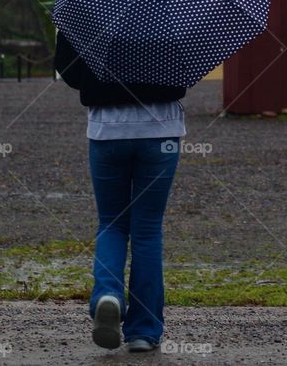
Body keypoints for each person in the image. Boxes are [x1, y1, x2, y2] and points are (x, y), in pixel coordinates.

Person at [54, 29, 186, 353]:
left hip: (106, 130)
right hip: (162, 131)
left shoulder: (88, 5)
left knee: (112, 222)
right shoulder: (173, 6)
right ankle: (143, 330)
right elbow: (188, 67)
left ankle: (107, 294)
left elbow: (67, 68)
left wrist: (98, 82)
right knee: (147, 230)